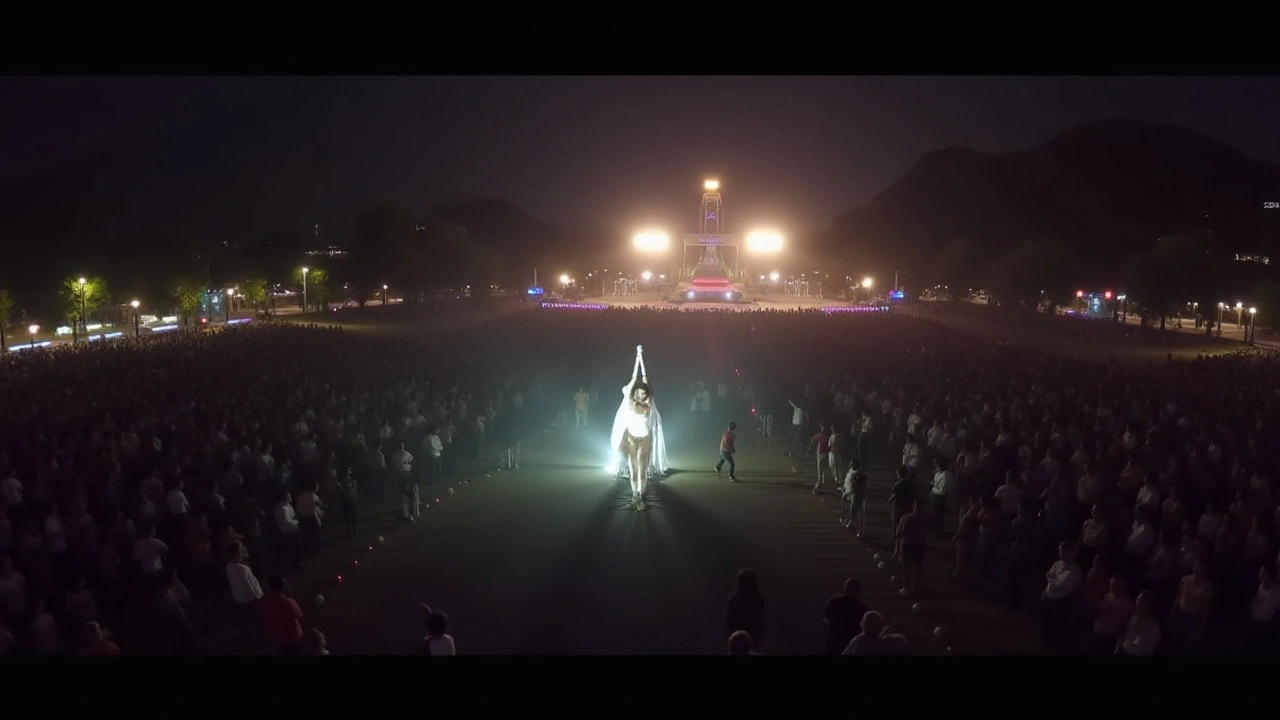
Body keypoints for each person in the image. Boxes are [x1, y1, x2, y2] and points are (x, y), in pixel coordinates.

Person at [609, 346, 669, 509]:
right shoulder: (630, 403)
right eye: (639, 392)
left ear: (646, 394)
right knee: (633, 469)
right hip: (630, 439)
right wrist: (637, 358)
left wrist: (641, 359)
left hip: (644, 440)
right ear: (635, 394)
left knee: (642, 470)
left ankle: (641, 497)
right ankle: (635, 496)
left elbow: (645, 379)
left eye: (644, 392)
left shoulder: (649, 404)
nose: (641, 394)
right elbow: (634, 378)